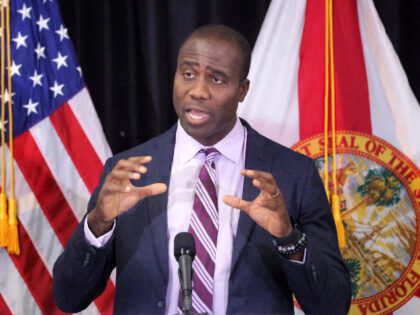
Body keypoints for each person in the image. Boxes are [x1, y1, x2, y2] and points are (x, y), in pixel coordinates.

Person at [53, 24, 351, 314]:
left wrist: (288, 238)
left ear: (242, 89)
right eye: (188, 74)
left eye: (217, 79)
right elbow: (69, 298)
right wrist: (98, 224)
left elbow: (332, 306)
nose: (197, 91)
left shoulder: (292, 174)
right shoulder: (130, 172)